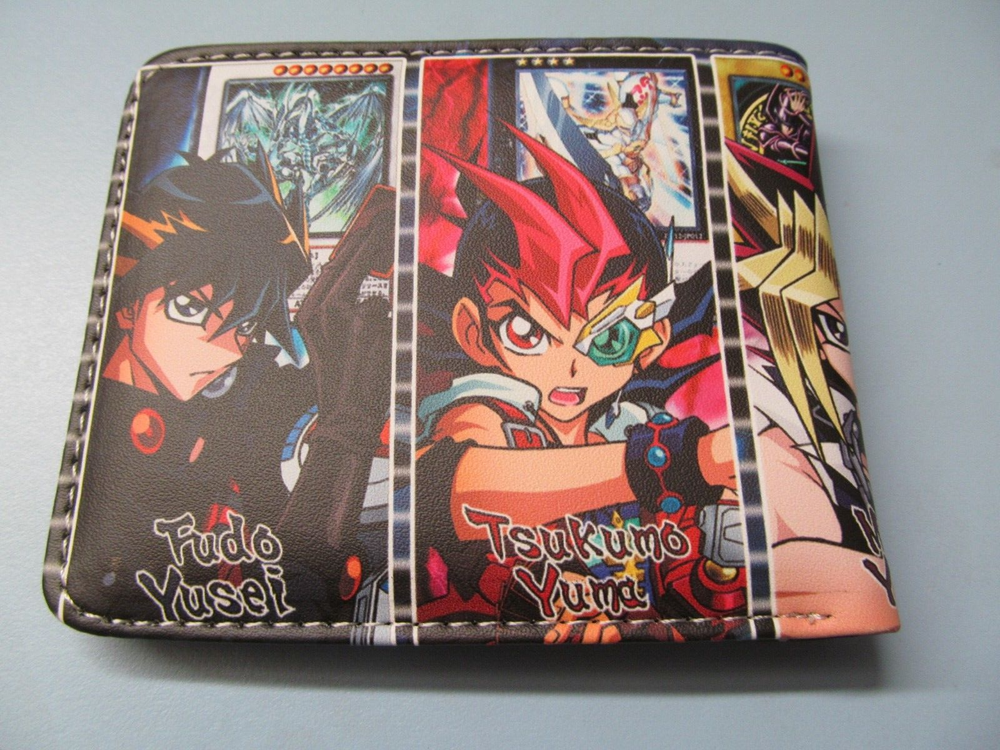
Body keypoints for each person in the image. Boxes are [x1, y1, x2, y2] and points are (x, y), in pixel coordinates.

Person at [415, 126, 744, 640]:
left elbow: (685, 580)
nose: (570, 368)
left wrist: (713, 577)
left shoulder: (633, 427)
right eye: (527, 333)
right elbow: (458, 487)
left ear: (652, 341)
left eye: (609, 338)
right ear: (475, 334)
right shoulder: (485, 412)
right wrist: (686, 460)